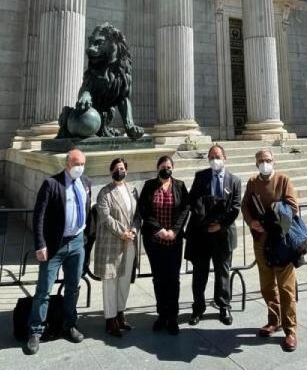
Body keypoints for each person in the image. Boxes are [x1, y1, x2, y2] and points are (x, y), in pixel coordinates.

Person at [25, 148, 92, 355]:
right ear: (67, 164)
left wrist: (86, 239)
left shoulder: (86, 183)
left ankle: (69, 324)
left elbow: (87, 210)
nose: (79, 167)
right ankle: (36, 330)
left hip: (77, 242)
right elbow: (39, 216)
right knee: (44, 289)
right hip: (55, 245)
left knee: (73, 287)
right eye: (76, 164)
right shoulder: (51, 184)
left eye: (82, 164)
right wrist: (40, 244)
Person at [241, 148, 299, 352]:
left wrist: (271, 220)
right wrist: (251, 222)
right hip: (261, 242)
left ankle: (290, 330)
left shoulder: (283, 180)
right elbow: (245, 205)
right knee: (266, 285)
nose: (264, 164)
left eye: (267, 160)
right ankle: (274, 320)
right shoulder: (252, 182)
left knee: (286, 287)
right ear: (256, 164)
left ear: (274, 161)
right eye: (260, 161)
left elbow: (293, 208)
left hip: (281, 242)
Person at [186, 145, 242, 326]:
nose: (214, 160)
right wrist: (204, 222)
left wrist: (219, 225)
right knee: (199, 273)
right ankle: (198, 308)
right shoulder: (200, 176)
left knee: (223, 271)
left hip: (223, 234)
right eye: (211, 157)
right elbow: (193, 200)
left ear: (225, 158)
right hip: (202, 234)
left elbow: (235, 207)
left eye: (217, 156)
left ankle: (224, 306)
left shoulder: (234, 181)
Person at [138, 155, 190, 335]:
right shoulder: (149, 186)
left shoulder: (180, 186)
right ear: (157, 168)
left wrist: (174, 231)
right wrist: (159, 229)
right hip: (154, 240)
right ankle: (162, 314)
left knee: (173, 278)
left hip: (174, 241)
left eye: (168, 167)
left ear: (172, 168)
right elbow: (144, 209)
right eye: (162, 166)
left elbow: (185, 209)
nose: (166, 169)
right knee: (159, 278)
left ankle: (172, 316)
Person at [93, 157, 141, 337]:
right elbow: (105, 217)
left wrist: (133, 231)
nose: (119, 171)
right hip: (112, 243)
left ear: (126, 171)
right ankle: (110, 319)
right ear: (111, 171)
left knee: (124, 280)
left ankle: (121, 313)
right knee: (110, 281)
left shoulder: (133, 190)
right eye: (116, 169)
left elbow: (137, 215)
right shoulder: (104, 192)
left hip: (130, 242)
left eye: (122, 168)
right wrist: (123, 232)